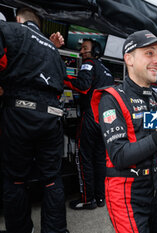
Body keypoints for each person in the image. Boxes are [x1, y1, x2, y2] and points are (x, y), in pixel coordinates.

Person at [90, 30, 157, 233]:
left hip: (155, 187)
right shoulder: (111, 98)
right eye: (149, 53)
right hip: (125, 191)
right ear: (128, 59)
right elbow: (120, 156)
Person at [0, 7, 69, 233]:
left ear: (18, 19)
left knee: (15, 179)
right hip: (52, 119)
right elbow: (61, 87)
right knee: (52, 179)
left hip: (19, 116)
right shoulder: (53, 49)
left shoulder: (10, 30)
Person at [64, 38, 115, 210]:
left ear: (95, 52)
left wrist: (62, 78)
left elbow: (83, 86)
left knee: (84, 158)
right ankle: (100, 198)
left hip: (90, 117)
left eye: (85, 48)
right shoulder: (107, 70)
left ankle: (87, 199)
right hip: (105, 120)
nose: (82, 51)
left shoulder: (88, 63)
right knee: (99, 159)